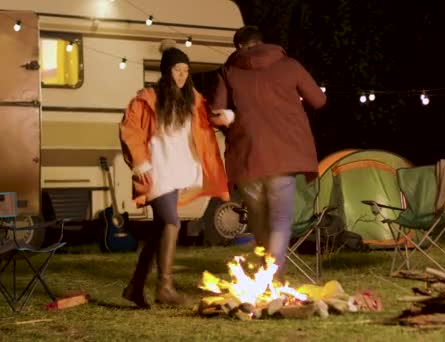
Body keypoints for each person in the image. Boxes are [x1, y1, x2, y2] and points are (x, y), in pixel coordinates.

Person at [209, 26, 326, 279]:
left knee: (260, 226)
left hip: (247, 156)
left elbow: (217, 115)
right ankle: (273, 280)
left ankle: (269, 278)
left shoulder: (228, 72)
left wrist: (232, 116)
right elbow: (319, 100)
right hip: (284, 156)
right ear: (262, 42)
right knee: (280, 224)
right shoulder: (290, 65)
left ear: (239, 47)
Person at [119, 46, 229, 308]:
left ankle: (135, 287)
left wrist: (225, 117)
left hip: (179, 169)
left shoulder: (192, 98)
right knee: (171, 222)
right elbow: (130, 130)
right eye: (177, 70)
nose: (181, 75)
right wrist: (140, 164)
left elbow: (207, 119)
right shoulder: (148, 98)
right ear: (167, 71)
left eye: (185, 71)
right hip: (156, 169)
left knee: (160, 229)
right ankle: (165, 287)